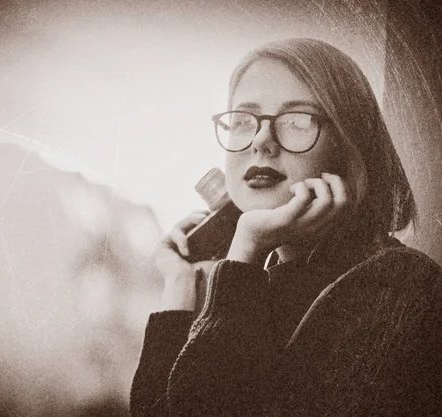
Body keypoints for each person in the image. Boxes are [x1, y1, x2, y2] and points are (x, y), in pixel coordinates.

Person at [130, 38, 442, 416]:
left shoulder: (401, 282)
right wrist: (178, 285)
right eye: (243, 121)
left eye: (297, 121)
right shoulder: (256, 282)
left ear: (349, 145)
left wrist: (246, 250)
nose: (261, 141)